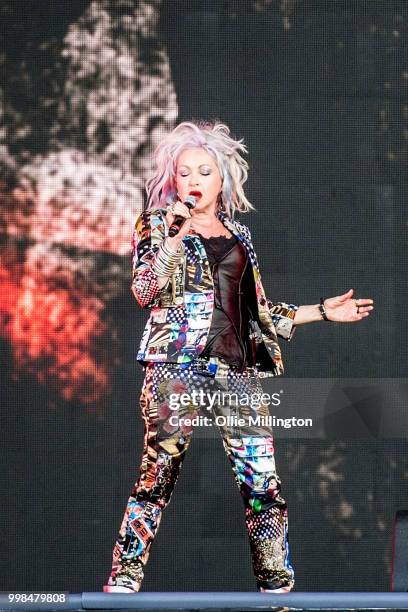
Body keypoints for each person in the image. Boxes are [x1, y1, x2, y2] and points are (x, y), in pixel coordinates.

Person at [103, 120, 374, 594]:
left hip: (237, 372)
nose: (193, 181)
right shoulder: (157, 223)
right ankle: (123, 582)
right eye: (184, 172)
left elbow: (255, 312)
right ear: (173, 178)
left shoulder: (238, 235)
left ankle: (278, 588)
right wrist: (172, 237)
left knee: (263, 484)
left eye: (204, 172)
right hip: (175, 370)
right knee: (158, 475)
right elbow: (146, 290)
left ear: (222, 177)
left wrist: (323, 313)